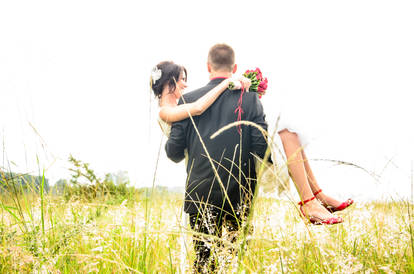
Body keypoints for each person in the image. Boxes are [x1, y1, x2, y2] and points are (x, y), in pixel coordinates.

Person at [164, 43, 269, 272]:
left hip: (200, 192)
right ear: (235, 67)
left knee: (204, 264)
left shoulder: (186, 101)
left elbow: (173, 153)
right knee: (234, 264)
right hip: (239, 194)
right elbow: (262, 148)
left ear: (208, 66)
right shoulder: (250, 99)